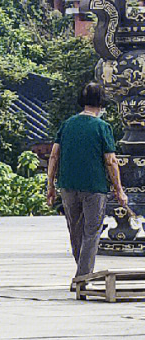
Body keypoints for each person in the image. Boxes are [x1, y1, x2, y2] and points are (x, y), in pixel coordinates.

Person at [46, 82, 129, 284]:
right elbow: (110, 160)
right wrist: (119, 189)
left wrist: (50, 185)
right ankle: (82, 277)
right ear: (101, 103)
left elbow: (54, 156)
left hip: (68, 185)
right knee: (91, 233)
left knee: (75, 231)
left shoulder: (67, 125)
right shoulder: (102, 127)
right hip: (95, 187)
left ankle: (82, 272)